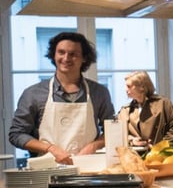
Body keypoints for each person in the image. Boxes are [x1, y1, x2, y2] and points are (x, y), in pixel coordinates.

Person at [9, 31, 116, 163]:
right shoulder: (33, 94)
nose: (66, 58)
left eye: (73, 54)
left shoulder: (99, 92)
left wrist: (94, 145)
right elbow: (16, 134)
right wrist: (50, 148)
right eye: (61, 52)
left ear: (84, 58)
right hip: (46, 169)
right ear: (53, 55)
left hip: (88, 167)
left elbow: (112, 130)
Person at [117, 71, 173, 148]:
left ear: (142, 87)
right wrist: (132, 140)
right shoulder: (125, 110)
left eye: (129, 86)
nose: (126, 90)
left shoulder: (163, 104)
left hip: (161, 156)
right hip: (135, 156)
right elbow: (119, 134)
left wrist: (159, 148)